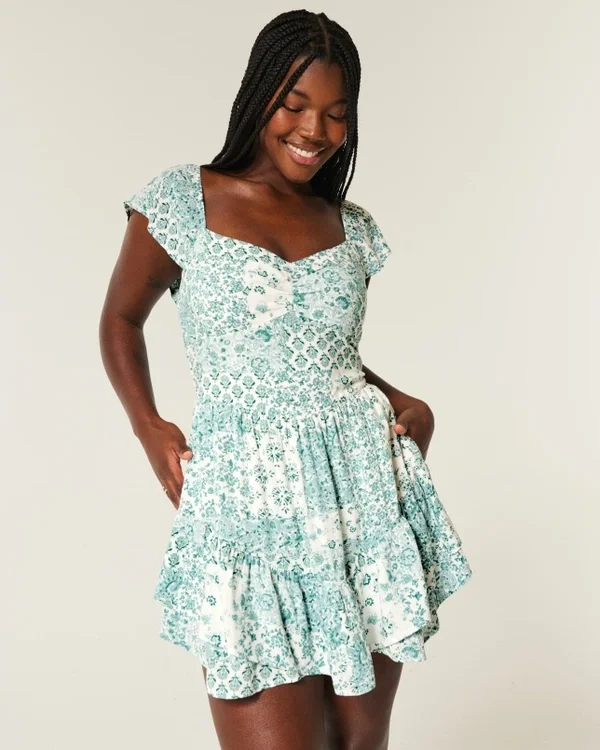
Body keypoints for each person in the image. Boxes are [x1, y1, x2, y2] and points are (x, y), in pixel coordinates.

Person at [99, 9, 473, 750]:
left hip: (360, 493)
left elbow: (319, 353)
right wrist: (149, 425)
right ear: (258, 95)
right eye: (294, 104)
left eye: (336, 113)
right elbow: (120, 319)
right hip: (247, 497)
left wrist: (403, 400)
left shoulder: (350, 226)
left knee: (358, 744)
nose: (314, 129)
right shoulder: (182, 202)